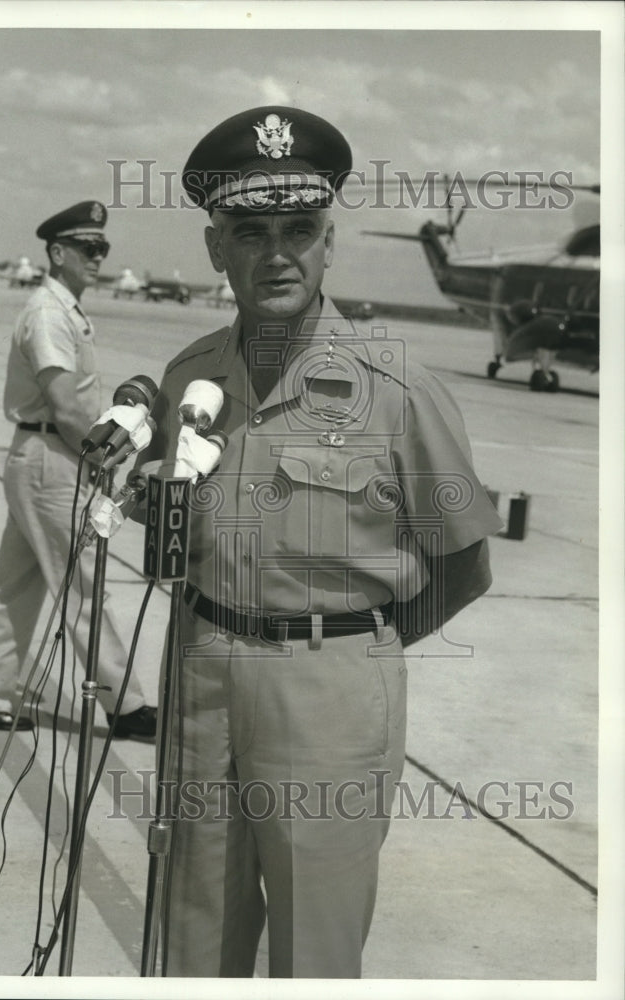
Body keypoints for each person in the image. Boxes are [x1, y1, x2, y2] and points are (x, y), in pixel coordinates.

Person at [132, 107, 504, 977]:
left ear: (327, 243)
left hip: (327, 688)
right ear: (214, 248)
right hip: (199, 668)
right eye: (249, 232)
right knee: (190, 935)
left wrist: (349, 647)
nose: (277, 254)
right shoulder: (189, 376)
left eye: (298, 230)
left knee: (314, 950)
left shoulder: (395, 389)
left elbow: (463, 563)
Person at [0, 201, 156, 740]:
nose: (98, 256)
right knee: (83, 585)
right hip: (52, 458)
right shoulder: (48, 314)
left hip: (48, 456)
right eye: (87, 247)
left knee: (14, 583)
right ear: (58, 253)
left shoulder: (64, 309)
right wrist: (104, 459)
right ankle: (126, 705)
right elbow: (64, 405)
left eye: (102, 247)